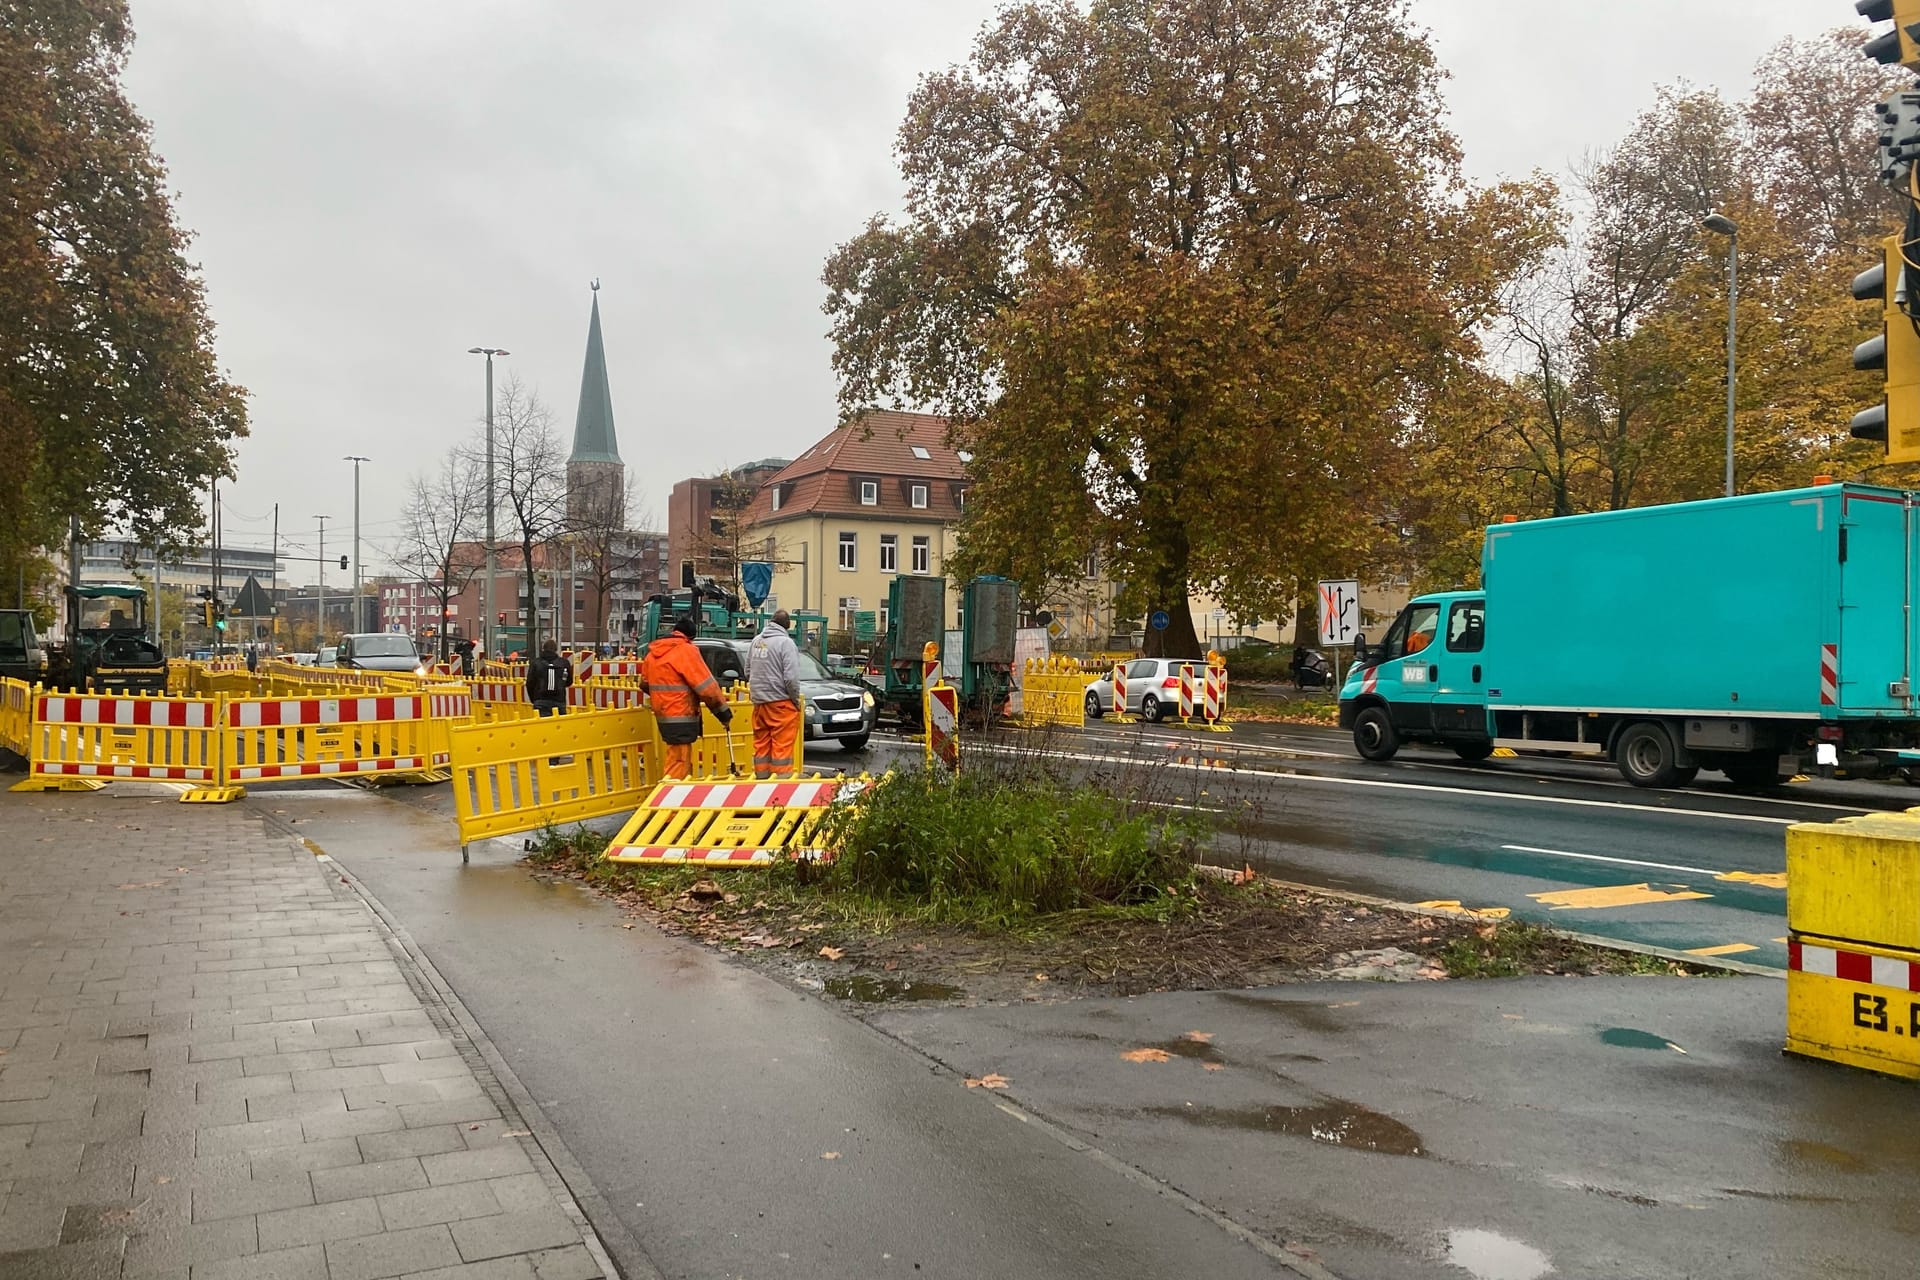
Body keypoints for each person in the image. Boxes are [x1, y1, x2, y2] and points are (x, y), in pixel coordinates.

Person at [641, 615, 731, 779]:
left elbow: (644, 684)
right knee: (679, 761)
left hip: (664, 714)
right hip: (681, 713)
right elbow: (707, 689)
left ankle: (678, 790)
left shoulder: (653, 654)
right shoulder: (686, 651)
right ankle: (671, 796)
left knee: (677, 755)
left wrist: (663, 698)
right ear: (690, 637)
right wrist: (723, 713)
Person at [748, 610, 804, 779]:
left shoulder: (756, 641)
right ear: (787, 625)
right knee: (782, 748)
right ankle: (780, 788)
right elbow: (791, 679)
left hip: (759, 703)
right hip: (781, 704)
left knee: (761, 745)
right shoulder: (785, 643)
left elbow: (747, 671)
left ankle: (761, 781)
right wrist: (794, 701)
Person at [526, 639, 572, 717]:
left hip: (540, 700)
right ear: (556, 649)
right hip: (559, 700)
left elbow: (530, 683)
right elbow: (569, 681)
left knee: (543, 726)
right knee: (560, 725)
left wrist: (534, 699)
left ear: (543, 648)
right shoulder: (564, 662)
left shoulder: (536, 663)